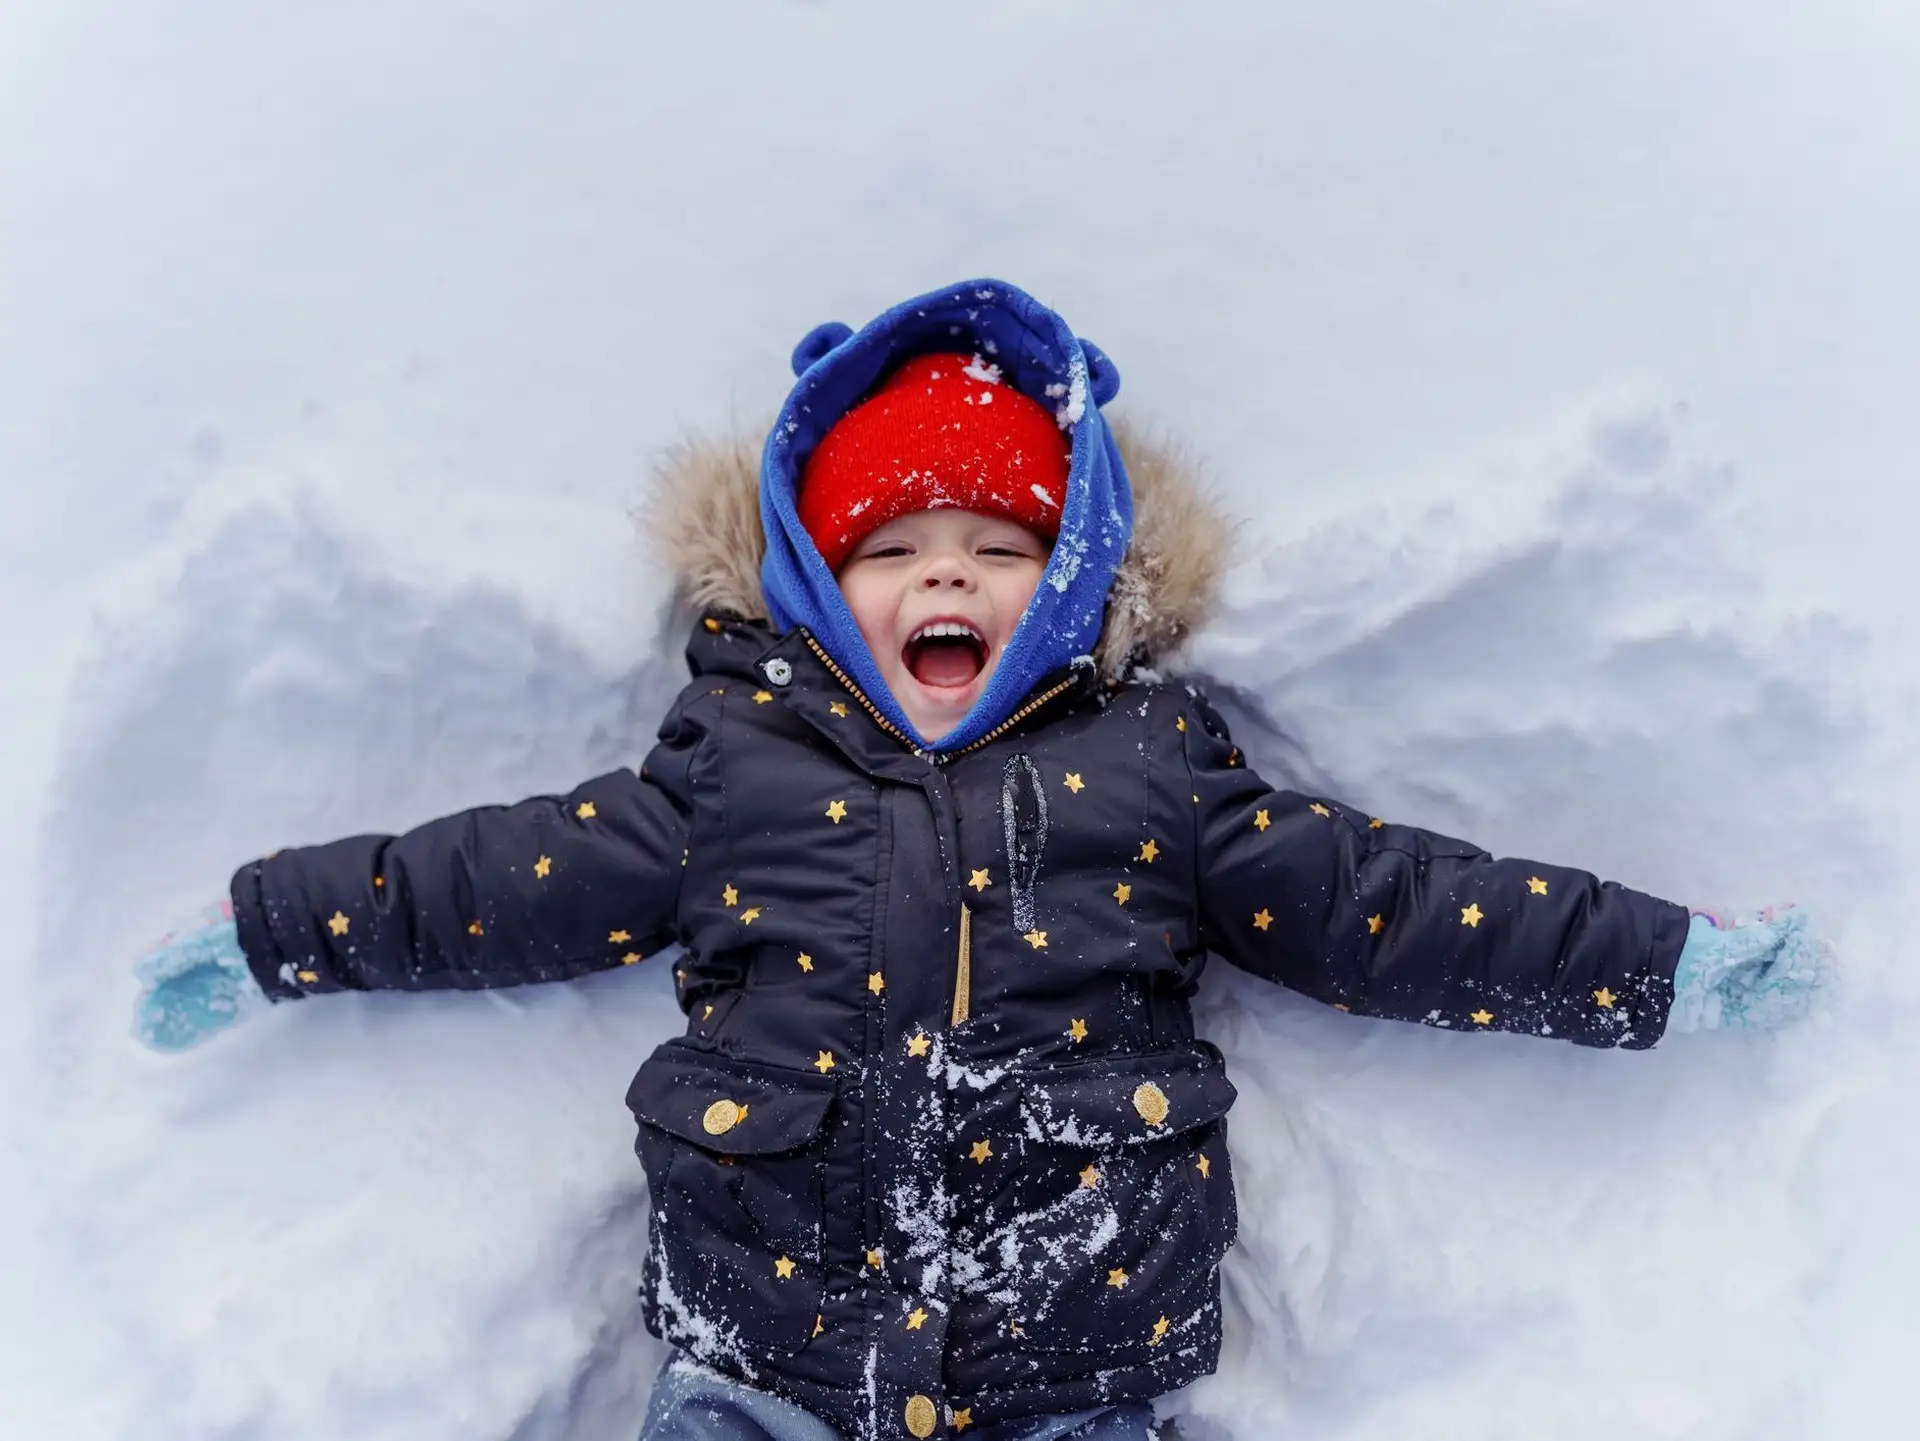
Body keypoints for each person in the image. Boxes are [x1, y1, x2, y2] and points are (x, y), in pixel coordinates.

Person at [132, 280, 1826, 1441]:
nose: (946, 578)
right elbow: (502, 877)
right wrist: (281, 926)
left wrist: (1651, 960)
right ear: (812, 580)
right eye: (894, 549)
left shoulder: (1152, 771)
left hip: (1073, 1351)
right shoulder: (733, 768)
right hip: (763, 1356)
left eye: (1000, 545)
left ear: (1074, 576)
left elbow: (1382, 904)